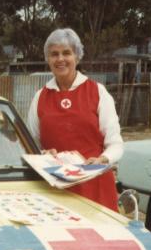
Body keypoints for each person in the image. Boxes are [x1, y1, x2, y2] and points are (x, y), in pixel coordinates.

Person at [27, 28, 124, 211]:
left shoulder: (98, 92)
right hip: (55, 189)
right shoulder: (40, 97)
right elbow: (30, 143)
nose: (60, 59)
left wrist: (103, 159)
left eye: (66, 53)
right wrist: (42, 153)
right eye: (54, 54)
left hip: (95, 187)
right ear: (48, 59)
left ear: (77, 57)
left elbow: (116, 144)